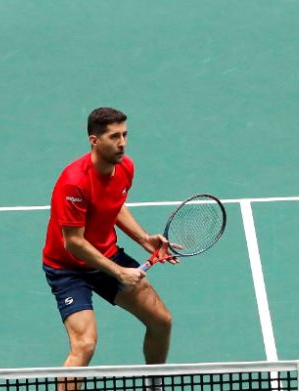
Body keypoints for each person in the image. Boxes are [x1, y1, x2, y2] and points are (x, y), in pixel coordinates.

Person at [42, 107, 177, 375]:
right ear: (94, 140)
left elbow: (114, 203)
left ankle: (154, 384)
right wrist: (119, 272)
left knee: (162, 321)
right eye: (114, 136)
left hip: (106, 254)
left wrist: (143, 239)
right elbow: (74, 243)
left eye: (125, 135)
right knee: (84, 345)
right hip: (67, 269)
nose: (122, 143)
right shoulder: (74, 183)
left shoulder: (125, 167)